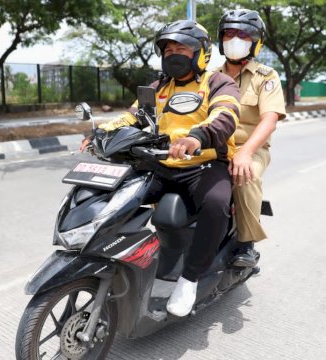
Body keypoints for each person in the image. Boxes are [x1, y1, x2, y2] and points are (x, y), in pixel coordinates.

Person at [81, 20, 240, 317]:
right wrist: (100, 133)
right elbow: (132, 118)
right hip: (162, 165)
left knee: (217, 204)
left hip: (203, 165)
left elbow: (226, 115)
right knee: (114, 194)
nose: (173, 54)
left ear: (201, 52)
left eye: (181, 48)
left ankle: (190, 278)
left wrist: (198, 136)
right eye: (168, 49)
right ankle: (107, 258)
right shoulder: (158, 87)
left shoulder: (218, 82)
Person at [214, 9, 286, 267]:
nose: (235, 39)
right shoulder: (210, 76)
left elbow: (270, 119)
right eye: (229, 33)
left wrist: (245, 153)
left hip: (250, 147)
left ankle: (246, 244)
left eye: (243, 34)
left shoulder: (266, 77)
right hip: (214, 147)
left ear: (255, 41)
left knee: (245, 174)